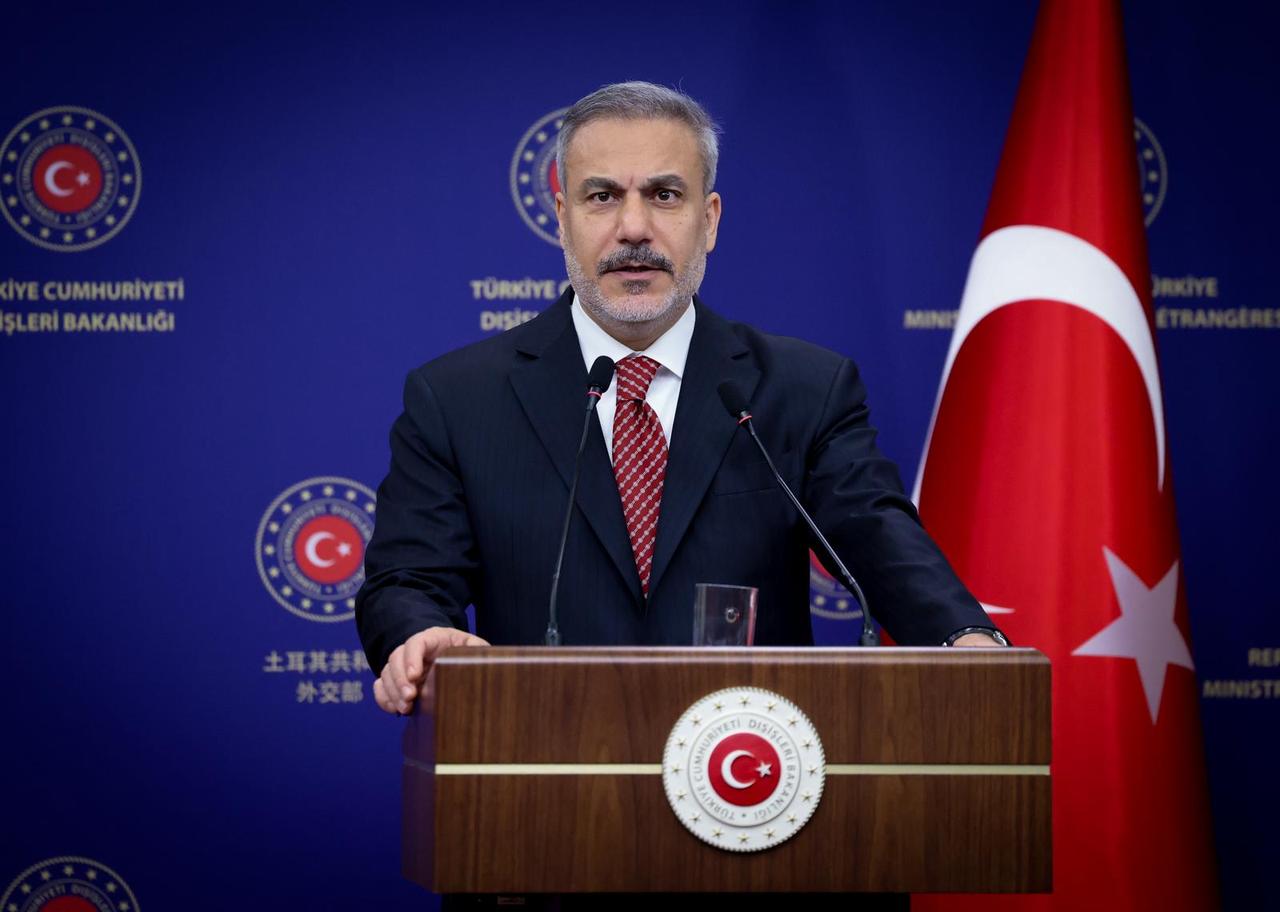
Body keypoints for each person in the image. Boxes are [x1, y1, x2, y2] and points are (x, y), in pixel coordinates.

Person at [356, 81, 1004, 719]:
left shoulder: (803, 388)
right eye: (602, 196)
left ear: (710, 220)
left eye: (664, 195)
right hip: (543, 770)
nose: (633, 228)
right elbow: (409, 579)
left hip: (751, 782)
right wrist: (419, 636)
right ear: (561, 221)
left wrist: (962, 637)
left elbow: (876, 536)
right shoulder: (458, 398)